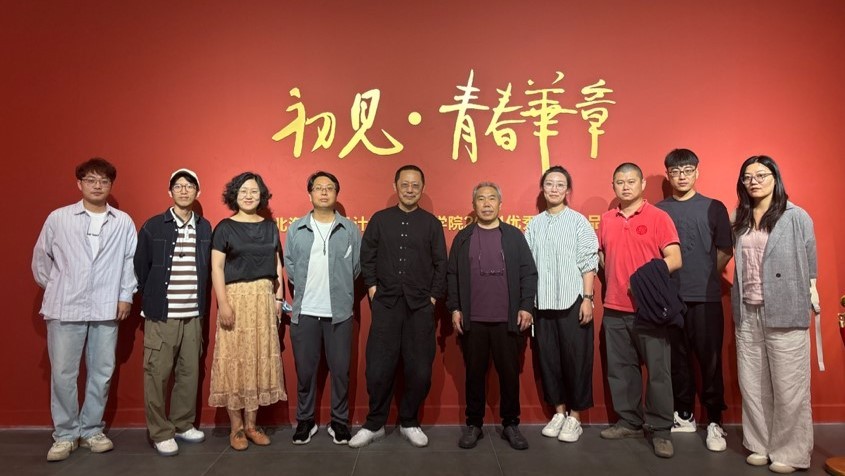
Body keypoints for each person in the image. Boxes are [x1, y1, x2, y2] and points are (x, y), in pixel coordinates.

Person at [32, 158, 137, 462]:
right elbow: (41, 260)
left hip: (106, 305)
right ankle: (65, 434)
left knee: (102, 371)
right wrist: (59, 286)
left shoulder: (122, 221)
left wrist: (125, 295)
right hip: (65, 306)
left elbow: (129, 260)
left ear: (111, 185)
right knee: (63, 373)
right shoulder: (59, 218)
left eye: (103, 181)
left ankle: (92, 429)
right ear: (79, 183)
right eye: (91, 180)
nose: (97, 186)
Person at [350, 165, 448, 449]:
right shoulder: (380, 220)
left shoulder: (431, 224)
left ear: (422, 188)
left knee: (419, 369)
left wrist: (433, 298)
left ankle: (409, 421)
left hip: (420, 307)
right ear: (395, 187)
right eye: (404, 184)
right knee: (378, 368)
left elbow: (441, 263)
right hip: (386, 305)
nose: (409, 189)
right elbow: (367, 256)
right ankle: (374, 424)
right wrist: (372, 287)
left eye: (415, 185)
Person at [731, 155, 817, 473]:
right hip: (748, 308)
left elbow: (810, 260)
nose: (753, 181)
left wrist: (811, 294)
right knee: (752, 383)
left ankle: (790, 452)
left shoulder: (796, 216)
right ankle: (759, 443)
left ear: (775, 177)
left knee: (789, 385)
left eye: (761, 175)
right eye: (747, 177)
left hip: (785, 308)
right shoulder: (739, 217)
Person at [597, 162, 682, 458]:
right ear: (613, 186)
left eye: (631, 181)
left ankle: (661, 430)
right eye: (619, 182)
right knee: (621, 369)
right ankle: (629, 422)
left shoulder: (658, 217)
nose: (625, 186)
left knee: (658, 372)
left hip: (650, 308)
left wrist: (642, 280)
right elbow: (602, 255)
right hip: (614, 307)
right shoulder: (606, 219)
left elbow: (675, 258)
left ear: (642, 184)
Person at [448, 182, 537, 450]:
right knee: (474, 375)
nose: (486, 204)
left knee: (509, 374)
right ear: (473, 204)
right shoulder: (463, 238)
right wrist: (455, 308)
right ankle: (474, 424)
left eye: (491, 199)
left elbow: (528, 273)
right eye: (481, 199)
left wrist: (526, 306)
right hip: (473, 320)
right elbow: (452, 275)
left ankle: (511, 424)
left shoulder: (513, 236)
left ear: (500, 204)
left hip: (507, 320)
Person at [655, 149, 732, 452]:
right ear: (669, 175)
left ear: (697, 172)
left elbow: (724, 250)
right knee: (677, 360)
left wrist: (705, 276)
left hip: (706, 298)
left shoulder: (714, 207)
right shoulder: (659, 210)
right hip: (671, 298)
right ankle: (683, 413)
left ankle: (714, 420)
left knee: (710, 360)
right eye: (676, 171)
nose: (682, 176)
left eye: (688, 170)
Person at [134, 168, 212, 456]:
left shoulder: (204, 227)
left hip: (193, 313)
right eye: (178, 186)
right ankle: (160, 431)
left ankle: (182, 424)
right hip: (162, 314)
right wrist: (153, 298)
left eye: (189, 186)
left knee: (189, 372)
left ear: (197, 192)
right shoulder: (154, 226)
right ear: (170, 192)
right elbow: (140, 267)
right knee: (157, 373)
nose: (184, 190)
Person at [208, 172, 287, 450]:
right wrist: (223, 303)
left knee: (257, 358)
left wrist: (279, 299)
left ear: (261, 195)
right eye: (243, 191)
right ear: (234, 195)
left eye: (254, 191)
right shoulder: (225, 228)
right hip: (236, 298)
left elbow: (277, 265)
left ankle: (252, 425)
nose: (249, 195)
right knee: (235, 359)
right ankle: (237, 428)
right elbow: (217, 267)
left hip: (263, 298)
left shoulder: (269, 227)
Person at [284, 171, 361, 445]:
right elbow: (290, 265)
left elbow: (356, 268)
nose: (324, 192)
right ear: (310, 194)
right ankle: (305, 420)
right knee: (305, 372)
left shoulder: (350, 229)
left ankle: (339, 421)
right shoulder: (296, 229)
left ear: (336, 194)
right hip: (305, 311)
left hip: (339, 313)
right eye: (318, 188)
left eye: (329, 188)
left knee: (341, 371)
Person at [524, 166, 598, 443]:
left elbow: (588, 262)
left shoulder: (579, 222)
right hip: (542, 304)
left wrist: (587, 299)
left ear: (567, 190)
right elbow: (527, 266)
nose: (554, 189)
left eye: (560, 184)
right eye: (549, 184)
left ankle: (575, 417)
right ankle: (558, 412)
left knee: (577, 361)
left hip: (573, 302)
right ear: (542, 189)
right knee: (548, 360)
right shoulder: (534, 224)